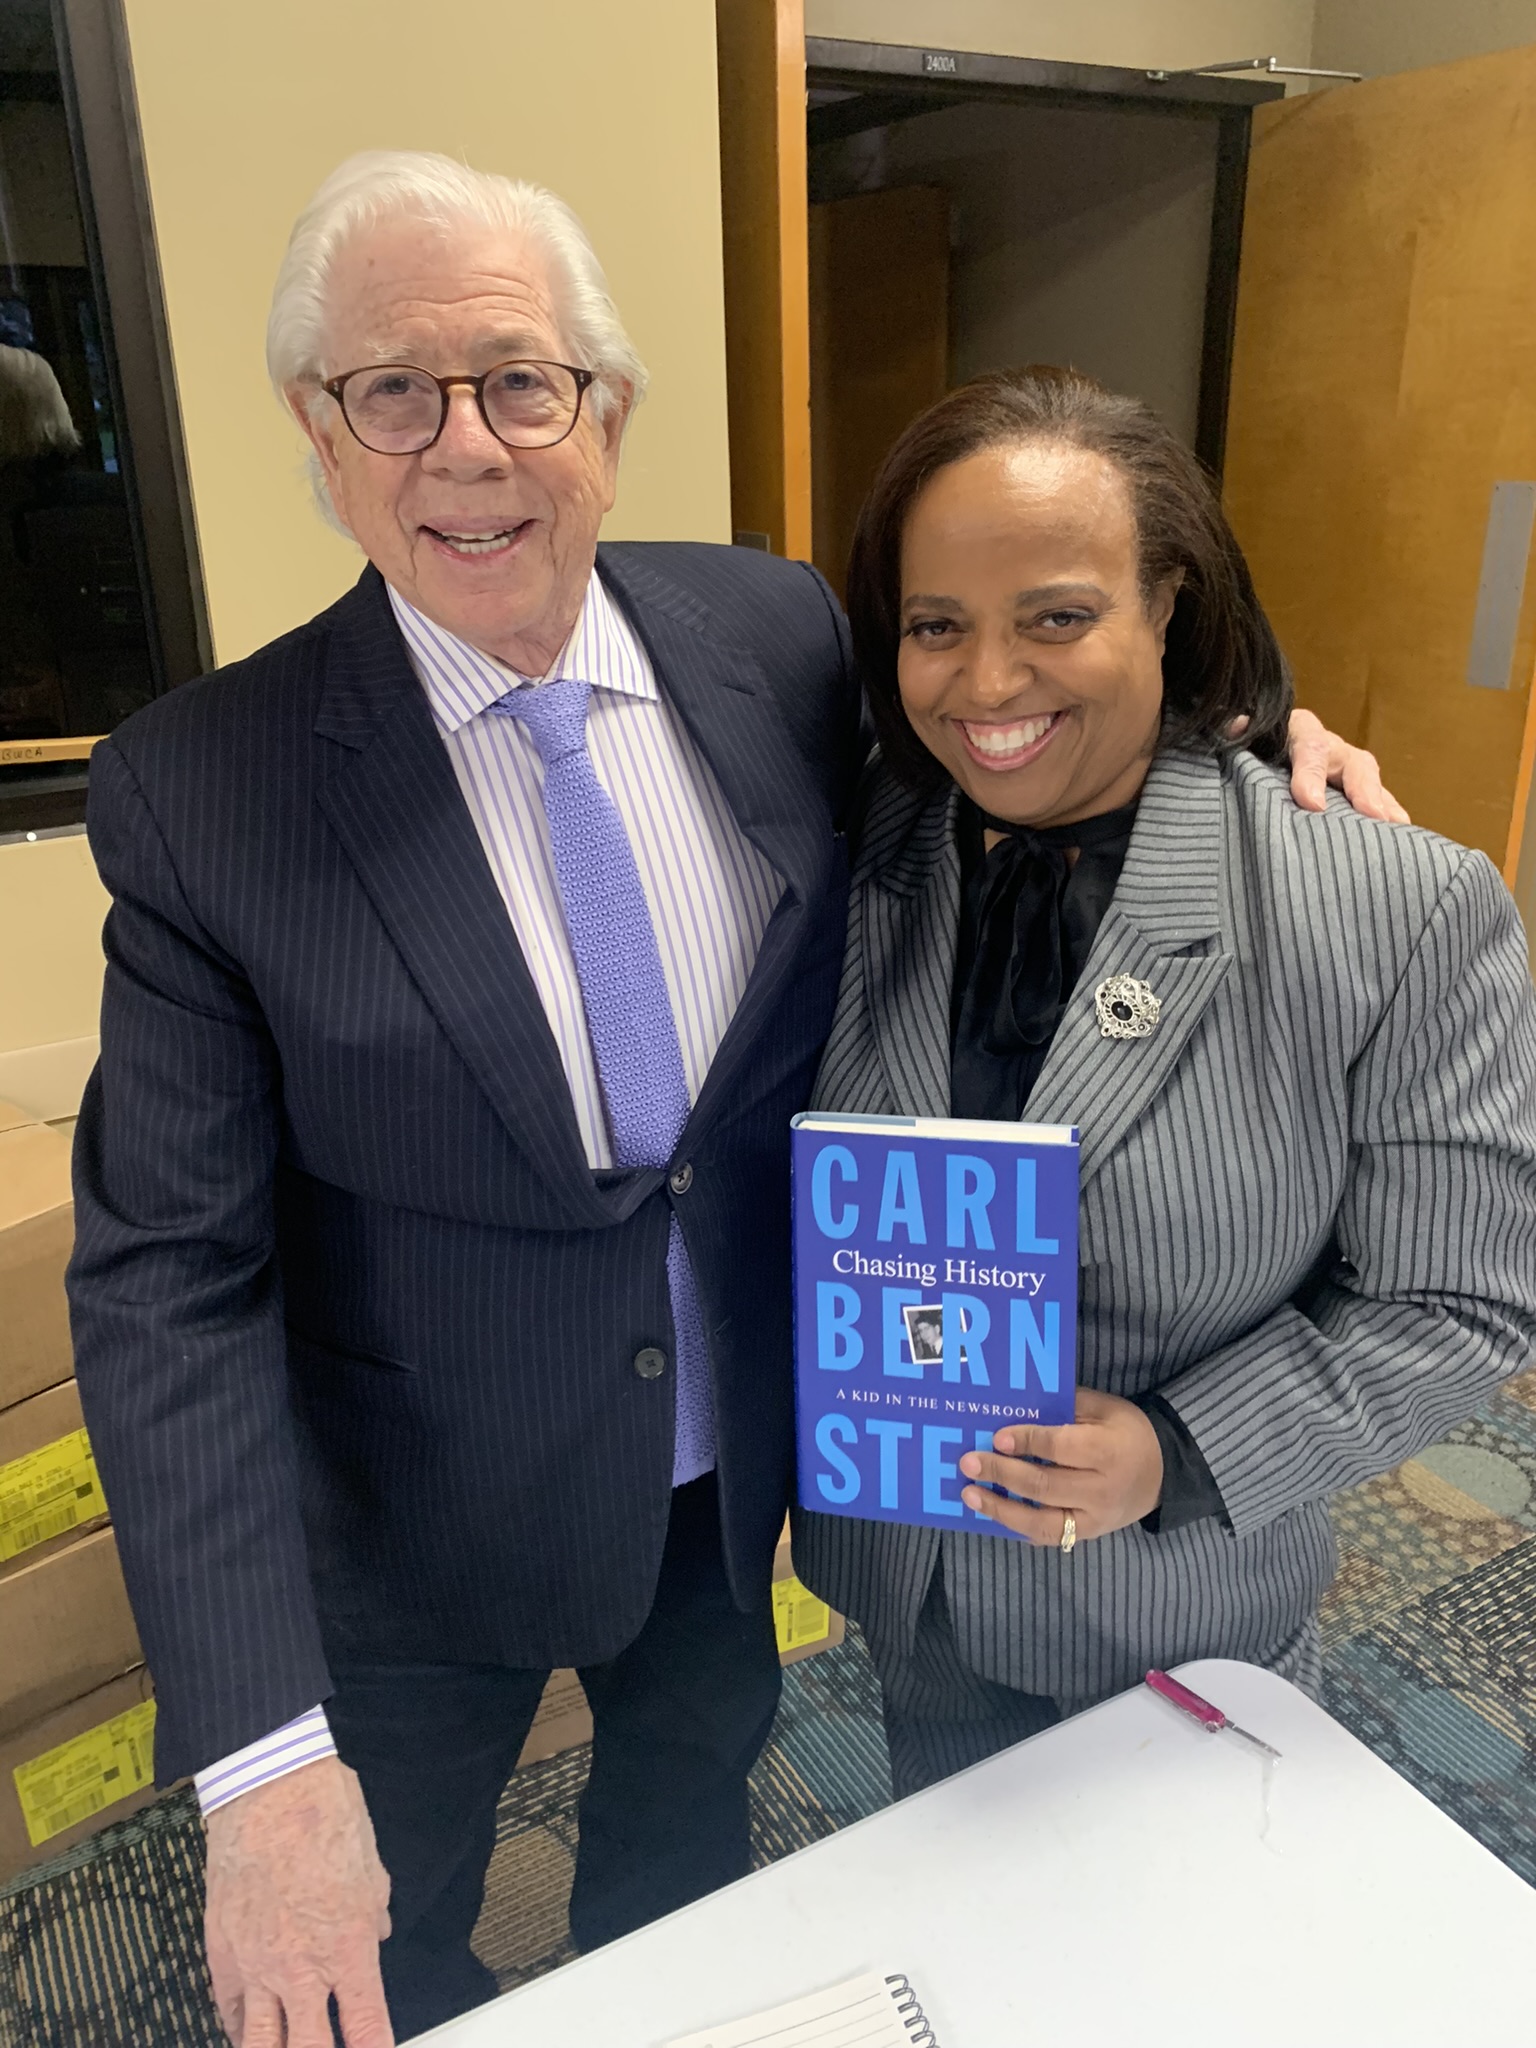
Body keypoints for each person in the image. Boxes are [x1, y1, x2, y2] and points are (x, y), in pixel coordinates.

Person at [65, 153, 1394, 2048]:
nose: (467, 448)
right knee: (392, 1938)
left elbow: (1009, 701)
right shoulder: (204, 789)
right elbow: (165, 1286)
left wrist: (1254, 729)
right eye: (393, 391)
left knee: (684, 1830)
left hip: (732, 1484)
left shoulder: (767, 635)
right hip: (412, 1522)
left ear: (606, 414)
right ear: (320, 432)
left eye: (521, 381)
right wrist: (259, 1765)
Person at [794, 364, 1536, 1801]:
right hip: (906, 1581)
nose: (990, 684)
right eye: (935, 627)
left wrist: (1172, 1451)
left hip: (1172, 1608)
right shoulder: (854, 845)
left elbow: (1466, 1298)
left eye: (1057, 617)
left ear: (1173, 602)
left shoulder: (1394, 905)